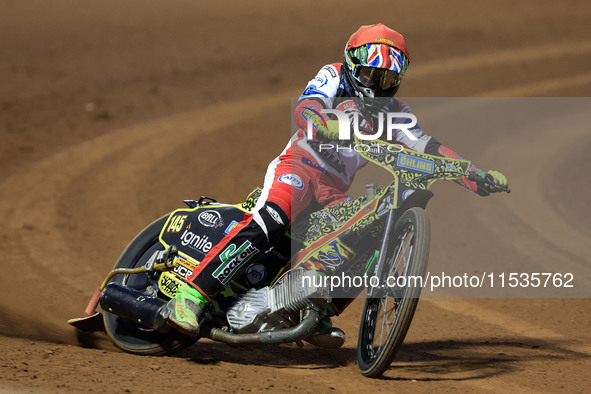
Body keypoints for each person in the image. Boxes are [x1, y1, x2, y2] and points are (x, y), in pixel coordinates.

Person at [159, 23, 508, 347]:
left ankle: (314, 311)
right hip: (298, 166)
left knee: (366, 238)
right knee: (275, 218)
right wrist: (319, 120)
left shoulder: (396, 113)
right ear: (353, 66)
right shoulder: (333, 75)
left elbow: (426, 146)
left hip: (332, 189)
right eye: (370, 73)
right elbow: (307, 105)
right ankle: (190, 297)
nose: (376, 84)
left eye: (386, 79)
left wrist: (472, 174)